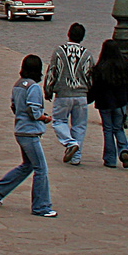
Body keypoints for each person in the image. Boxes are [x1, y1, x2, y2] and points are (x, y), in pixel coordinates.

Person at [0, 54, 57, 217]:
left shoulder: (18, 85)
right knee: (41, 168)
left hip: (20, 129)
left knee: (28, 165)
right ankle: (41, 206)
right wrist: (44, 118)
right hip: (30, 132)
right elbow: (33, 111)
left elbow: (14, 106)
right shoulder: (33, 88)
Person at [45, 23, 93, 165]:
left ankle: (70, 142)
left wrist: (48, 89)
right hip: (81, 95)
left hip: (63, 94)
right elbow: (90, 76)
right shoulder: (87, 54)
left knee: (59, 121)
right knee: (79, 125)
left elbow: (52, 72)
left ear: (68, 34)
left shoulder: (59, 51)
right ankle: (76, 157)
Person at [87, 39, 128, 168]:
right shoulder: (123, 65)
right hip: (120, 102)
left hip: (104, 103)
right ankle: (124, 149)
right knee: (118, 128)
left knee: (108, 130)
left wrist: (87, 99)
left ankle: (110, 159)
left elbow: (95, 88)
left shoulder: (100, 68)